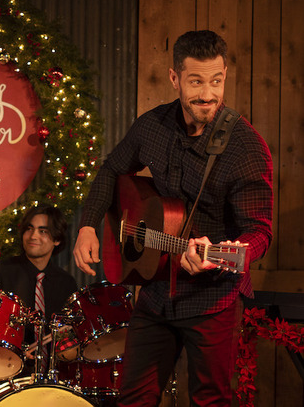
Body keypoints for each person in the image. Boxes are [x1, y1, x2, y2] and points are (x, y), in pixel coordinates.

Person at [73, 30, 273, 406]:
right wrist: (88, 224)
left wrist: (226, 251)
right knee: (133, 399)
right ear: (174, 78)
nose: (208, 94)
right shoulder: (152, 126)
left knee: (209, 401)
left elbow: (259, 232)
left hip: (213, 299)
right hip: (155, 291)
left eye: (217, 80)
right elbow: (111, 170)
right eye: (196, 81)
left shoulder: (246, 147)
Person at [0, 205, 79, 402]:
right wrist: (15, 348)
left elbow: (69, 336)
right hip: (3, 382)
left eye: (43, 231)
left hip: (52, 385)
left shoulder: (67, 284)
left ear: (57, 239)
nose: (33, 236)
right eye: (29, 228)